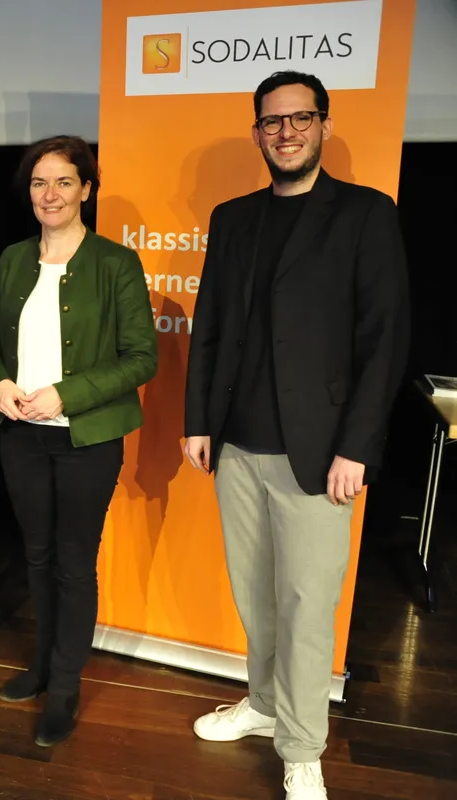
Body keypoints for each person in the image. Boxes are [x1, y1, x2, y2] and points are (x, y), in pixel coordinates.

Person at [184, 71, 410, 800]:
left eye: (300, 118)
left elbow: (384, 339)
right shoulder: (233, 218)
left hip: (319, 454)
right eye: (272, 121)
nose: (286, 132)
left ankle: (303, 746)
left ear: (324, 125)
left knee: (308, 606)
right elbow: (210, 324)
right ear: (257, 132)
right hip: (236, 448)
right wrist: (198, 421)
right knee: (256, 597)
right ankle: (265, 703)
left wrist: (359, 446)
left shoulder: (366, 214)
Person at [0, 135, 157, 744]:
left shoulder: (115, 263)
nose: (49, 194)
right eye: (38, 183)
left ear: (86, 189)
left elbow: (142, 358)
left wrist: (66, 394)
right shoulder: (12, 259)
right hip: (21, 437)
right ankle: (42, 666)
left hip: (87, 441)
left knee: (74, 564)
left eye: (63, 182)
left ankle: (66, 686)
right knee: (36, 556)